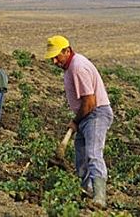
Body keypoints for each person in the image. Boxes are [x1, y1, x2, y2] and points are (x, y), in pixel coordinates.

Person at [45, 35, 113, 208]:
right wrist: (78, 121)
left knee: (93, 153)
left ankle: (99, 198)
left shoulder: (78, 67)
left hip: (95, 114)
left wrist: (75, 122)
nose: (54, 61)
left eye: (56, 56)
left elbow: (90, 102)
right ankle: (87, 192)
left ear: (67, 51)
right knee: (81, 158)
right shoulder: (70, 67)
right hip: (86, 116)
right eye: (51, 57)